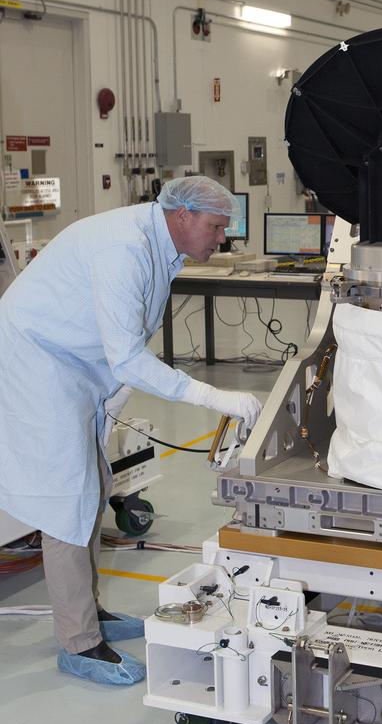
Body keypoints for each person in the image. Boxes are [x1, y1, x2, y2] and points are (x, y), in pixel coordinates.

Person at [0, 176, 262, 687]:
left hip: (77, 368)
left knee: (96, 485)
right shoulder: (123, 248)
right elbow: (128, 355)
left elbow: (130, 336)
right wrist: (212, 396)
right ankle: (78, 643)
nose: (220, 239)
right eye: (215, 227)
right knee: (68, 500)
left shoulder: (160, 245)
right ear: (182, 216)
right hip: (39, 364)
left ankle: (88, 613)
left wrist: (110, 395)